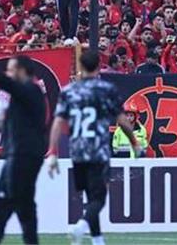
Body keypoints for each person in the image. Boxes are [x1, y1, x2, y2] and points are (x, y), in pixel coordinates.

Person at [46, 49, 139, 245]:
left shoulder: (68, 91)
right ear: (98, 66)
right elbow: (122, 120)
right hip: (98, 150)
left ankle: (97, 240)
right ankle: (81, 226)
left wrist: (52, 152)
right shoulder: (106, 89)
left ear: (80, 66)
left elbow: (58, 122)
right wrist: (134, 142)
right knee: (100, 197)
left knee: (90, 196)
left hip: (77, 151)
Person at [0, 37, 48, 245]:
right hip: (24, 154)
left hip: (22, 155)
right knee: (23, 203)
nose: (8, 74)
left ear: (22, 71)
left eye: (11, 70)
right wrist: (3, 126)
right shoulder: (26, 96)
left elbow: (2, 82)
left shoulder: (30, 89)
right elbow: (25, 124)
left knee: (5, 201)